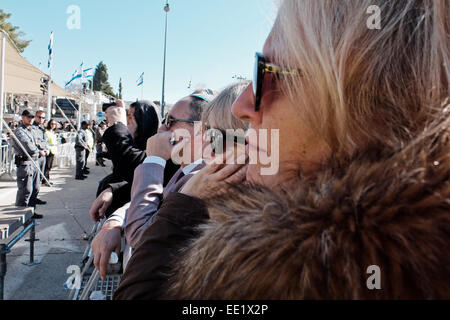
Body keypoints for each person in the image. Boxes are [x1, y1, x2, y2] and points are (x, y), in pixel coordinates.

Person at [115, 0, 450, 300]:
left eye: (271, 74)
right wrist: (116, 217)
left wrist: (180, 198)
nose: (244, 108)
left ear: (372, 108)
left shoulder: (272, 269)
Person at [91, 88, 229, 280]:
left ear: (202, 130)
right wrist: (116, 219)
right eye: (164, 121)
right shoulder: (185, 168)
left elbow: (142, 237)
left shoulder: (204, 179)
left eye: (170, 122)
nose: (161, 129)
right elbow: (163, 201)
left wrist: (154, 160)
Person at [12, 110, 45, 219]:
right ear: (23, 117)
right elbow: (29, 147)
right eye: (28, 117)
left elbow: (41, 141)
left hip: (34, 162)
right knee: (26, 191)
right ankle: (20, 216)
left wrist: (44, 149)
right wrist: (40, 151)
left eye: (32, 117)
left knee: (35, 189)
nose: (30, 119)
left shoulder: (33, 130)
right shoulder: (19, 131)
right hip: (25, 164)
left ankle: (31, 213)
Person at [31, 110, 50, 204]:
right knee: (34, 181)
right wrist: (40, 151)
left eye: (43, 118)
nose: (41, 119)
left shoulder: (42, 128)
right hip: (37, 155)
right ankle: (31, 201)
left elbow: (46, 141)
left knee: (39, 180)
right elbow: (33, 143)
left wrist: (47, 149)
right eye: (39, 117)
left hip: (44, 155)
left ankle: (35, 197)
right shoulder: (32, 128)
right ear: (35, 116)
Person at [44, 119, 58, 186]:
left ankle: (46, 179)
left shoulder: (53, 132)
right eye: (52, 124)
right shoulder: (46, 132)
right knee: (47, 166)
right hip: (49, 150)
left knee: (49, 166)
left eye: (54, 124)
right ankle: (46, 180)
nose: (53, 125)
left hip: (53, 150)